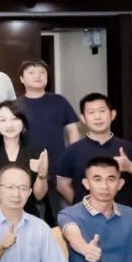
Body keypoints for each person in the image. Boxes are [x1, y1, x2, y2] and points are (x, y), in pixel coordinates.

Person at [56, 93, 132, 210]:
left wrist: (131, 167)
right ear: (83, 118)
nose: (97, 117)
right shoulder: (72, 150)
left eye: (102, 111)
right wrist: (81, 206)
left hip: (122, 215)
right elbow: (61, 183)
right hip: (85, 217)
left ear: (112, 115)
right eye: (91, 112)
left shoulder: (127, 148)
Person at [15, 60, 80, 223]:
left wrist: (73, 158)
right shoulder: (15, 106)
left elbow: (72, 130)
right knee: (36, 218)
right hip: (30, 169)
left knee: (66, 216)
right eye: (31, 72)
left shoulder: (59, 101)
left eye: (42, 72)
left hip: (60, 167)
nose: (37, 76)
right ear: (22, 79)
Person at [0, 102, 48, 214]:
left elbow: (39, 196)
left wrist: (42, 175)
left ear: (23, 123)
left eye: (15, 119)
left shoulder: (38, 153)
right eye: (3, 120)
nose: (9, 125)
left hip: (28, 215)